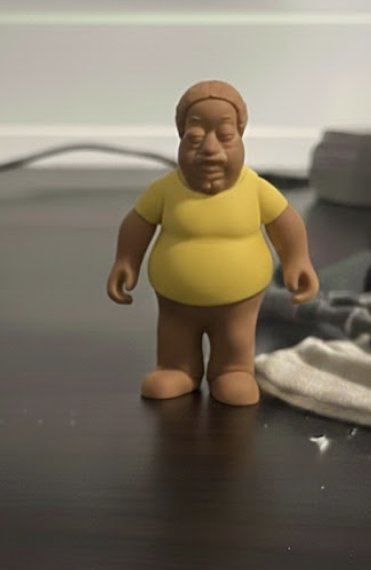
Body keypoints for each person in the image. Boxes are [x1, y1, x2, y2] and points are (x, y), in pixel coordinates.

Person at [107, 80, 319, 406]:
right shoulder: (165, 190)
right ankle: (177, 368)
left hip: (240, 300)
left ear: (240, 136)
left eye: (225, 136)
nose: (209, 148)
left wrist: (297, 259)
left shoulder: (255, 188)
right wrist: (126, 260)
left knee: (235, 340)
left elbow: (285, 220)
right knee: (175, 337)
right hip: (175, 301)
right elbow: (139, 222)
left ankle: (233, 370)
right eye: (194, 138)